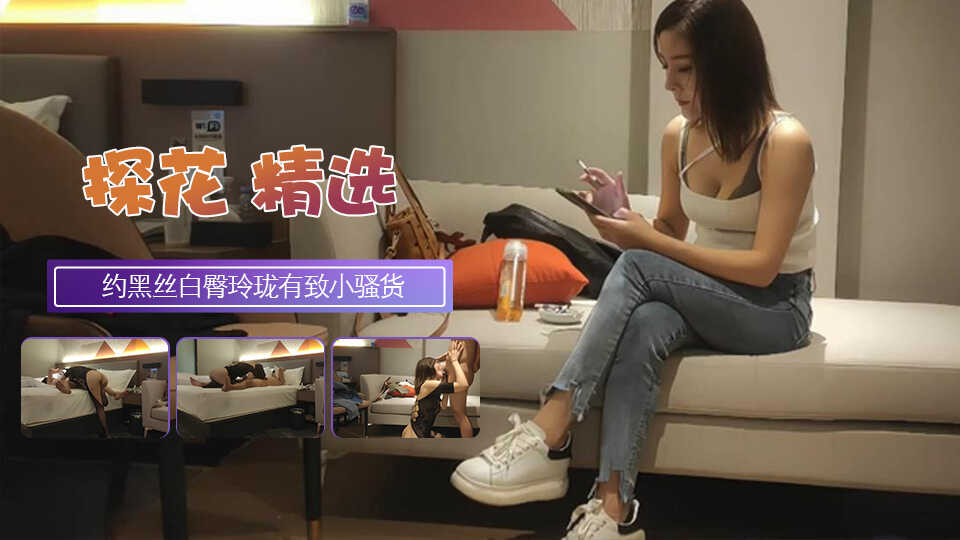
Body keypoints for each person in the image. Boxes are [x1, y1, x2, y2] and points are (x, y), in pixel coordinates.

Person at [450, 1, 817, 538]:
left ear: (729, 61)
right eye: (665, 66)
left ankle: (550, 429)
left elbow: (763, 269)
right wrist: (624, 218)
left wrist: (647, 243)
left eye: (684, 67)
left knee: (641, 265)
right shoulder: (679, 135)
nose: (670, 83)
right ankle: (613, 510)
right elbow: (670, 230)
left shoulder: (785, 141)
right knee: (645, 322)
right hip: (709, 295)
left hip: (776, 307)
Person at [402, 341, 470, 439]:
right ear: (429, 370)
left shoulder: (431, 387)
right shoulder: (428, 384)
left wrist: (446, 382)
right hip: (414, 434)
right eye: (438, 366)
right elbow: (463, 385)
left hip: (421, 432)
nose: (441, 366)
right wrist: (454, 361)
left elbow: (443, 406)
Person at [43, 366, 129, 438]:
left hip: (91, 377)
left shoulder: (68, 374)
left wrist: (54, 373)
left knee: (99, 407)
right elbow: (78, 382)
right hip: (99, 376)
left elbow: (61, 379)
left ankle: (106, 434)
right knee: (96, 388)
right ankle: (114, 394)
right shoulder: (76, 372)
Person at [442, 339, 480, 438]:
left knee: (459, 413)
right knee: (457, 412)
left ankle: (468, 444)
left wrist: (476, 362)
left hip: (459, 368)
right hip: (455, 368)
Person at [190, 361, 267, 389]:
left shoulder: (248, 365)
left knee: (233, 382)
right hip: (224, 374)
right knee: (233, 384)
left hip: (220, 372)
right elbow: (248, 379)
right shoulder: (252, 370)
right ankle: (203, 384)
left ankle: (203, 384)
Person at [222, 367, 286, 391]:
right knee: (248, 382)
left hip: (265, 383)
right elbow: (274, 374)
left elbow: (282, 381)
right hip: (262, 380)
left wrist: (281, 370)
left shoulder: (280, 382)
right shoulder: (274, 378)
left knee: (248, 382)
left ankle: (231, 386)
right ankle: (231, 385)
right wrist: (274, 373)